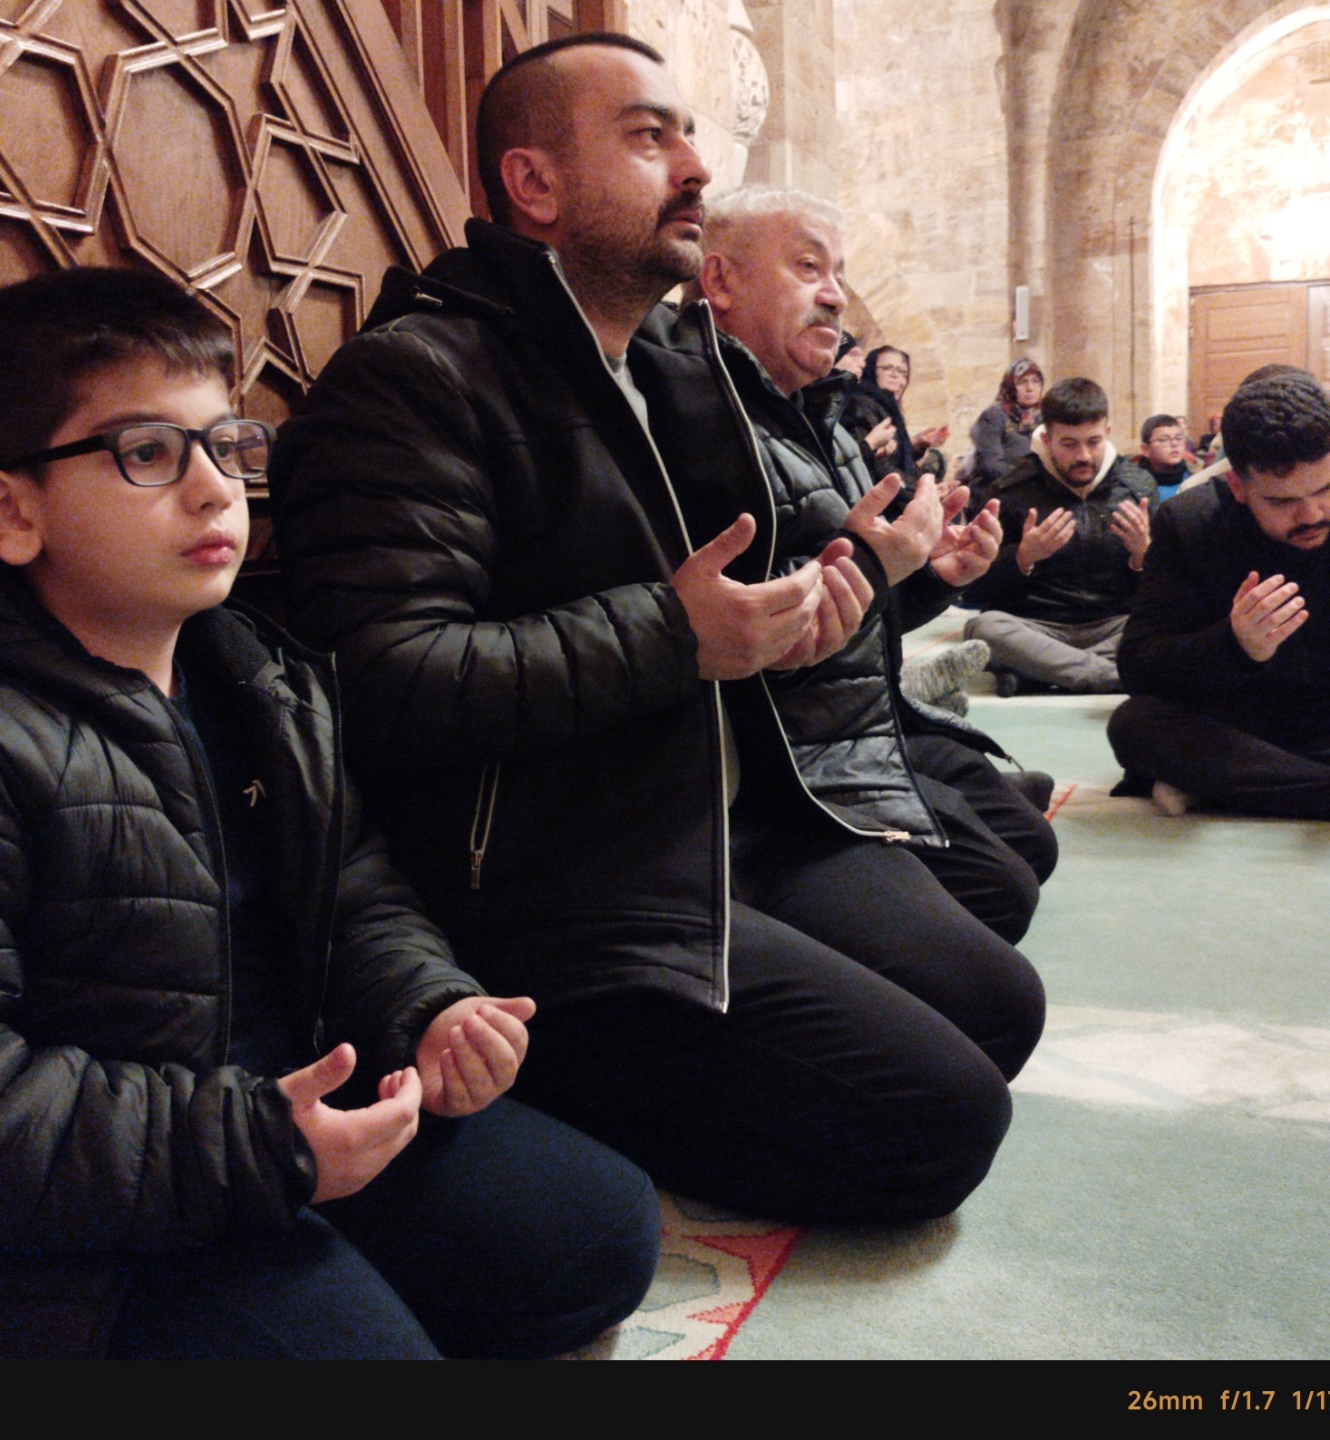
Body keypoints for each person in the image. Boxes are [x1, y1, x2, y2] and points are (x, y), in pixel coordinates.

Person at [271, 34, 1031, 1224]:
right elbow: (383, 681)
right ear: (534, 185)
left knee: (998, 1003)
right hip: (554, 891)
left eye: (689, 134)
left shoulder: (670, 370)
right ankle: (539, 1093)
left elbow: (735, 602)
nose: (693, 167)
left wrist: (819, 609)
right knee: (944, 1125)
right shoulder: (415, 381)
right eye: (647, 135)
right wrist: (676, 641)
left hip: (712, 821)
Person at [0, 267, 659, 1361]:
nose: (216, 492)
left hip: (273, 1107)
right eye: (147, 453)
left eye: (226, 444)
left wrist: (427, 1008)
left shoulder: (245, 665)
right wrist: (256, 1151)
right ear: (7, 511)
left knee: (597, 1236)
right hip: (81, 1218)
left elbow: (352, 885)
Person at [685, 183, 1057, 945]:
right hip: (788, 767)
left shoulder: (825, 417)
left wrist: (932, 574)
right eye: (807, 268)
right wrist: (880, 570)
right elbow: (758, 657)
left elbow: (866, 622)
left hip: (861, 720)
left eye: (840, 273)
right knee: (1001, 902)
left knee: (1028, 846)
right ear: (718, 281)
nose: (835, 295)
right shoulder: (700, 418)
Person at [1110, 369, 1330, 818]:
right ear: (1238, 487)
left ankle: (1246, 788)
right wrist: (1236, 645)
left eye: (1326, 489)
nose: (1312, 514)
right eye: (1283, 502)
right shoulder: (1189, 523)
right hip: (1240, 725)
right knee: (1135, 725)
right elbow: (1139, 667)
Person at [964, 377, 1157, 695]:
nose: (1083, 455)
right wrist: (1023, 557)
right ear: (1046, 438)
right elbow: (977, 591)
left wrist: (1142, 556)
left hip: (1115, 624)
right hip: (1039, 627)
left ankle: (1036, 673)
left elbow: (1166, 588)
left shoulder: (1138, 487)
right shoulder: (1011, 492)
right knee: (982, 629)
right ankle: (1112, 676)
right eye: (1069, 444)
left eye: (1093, 442)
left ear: (1107, 433)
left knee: (1179, 621)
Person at [842, 345, 950, 483]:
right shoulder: (863, 404)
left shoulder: (885, 405)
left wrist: (919, 444)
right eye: (887, 368)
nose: (895, 375)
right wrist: (920, 490)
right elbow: (881, 467)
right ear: (870, 370)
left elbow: (896, 457)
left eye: (901, 371)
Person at [970, 358, 1043, 493]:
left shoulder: (1044, 416)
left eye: (1035, 381)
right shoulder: (994, 415)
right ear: (1010, 386)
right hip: (999, 489)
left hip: (1036, 488)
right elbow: (990, 465)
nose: (1030, 388)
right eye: (1022, 382)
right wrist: (1031, 478)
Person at [1137, 412, 1200, 501]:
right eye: (1164, 440)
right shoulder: (1131, 483)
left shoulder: (1198, 477)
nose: (1174, 444)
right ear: (1145, 449)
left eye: (1179, 438)